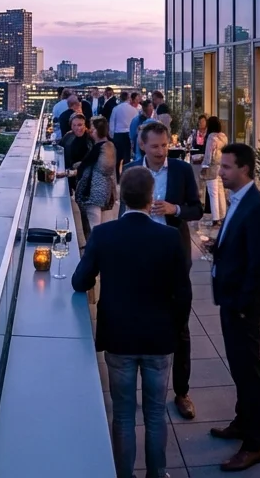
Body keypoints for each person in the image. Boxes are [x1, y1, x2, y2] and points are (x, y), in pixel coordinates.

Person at [73, 166, 191, 478]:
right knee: (155, 413)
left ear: (122, 197)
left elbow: (80, 281)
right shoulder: (169, 238)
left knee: (123, 415)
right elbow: (184, 293)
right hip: (158, 338)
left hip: (119, 338)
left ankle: (124, 475)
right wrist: (174, 328)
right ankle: (157, 473)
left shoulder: (103, 234)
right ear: (151, 197)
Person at [206, 142, 260, 471]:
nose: (221, 172)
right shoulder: (238, 200)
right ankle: (241, 421)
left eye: (227, 167)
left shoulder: (257, 207)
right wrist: (216, 245)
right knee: (239, 367)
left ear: (245, 169)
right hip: (231, 300)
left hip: (243, 306)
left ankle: (254, 444)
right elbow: (239, 244)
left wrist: (245, 307)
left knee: (248, 371)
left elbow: (258, 265)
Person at [128, 121, 203, 420]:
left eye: (165, 145)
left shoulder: (182, 171)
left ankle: (182, 392)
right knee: (140, 323)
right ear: (142, 145)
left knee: (180, 328)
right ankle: (140, 392)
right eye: (155, 146)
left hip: (173, 258)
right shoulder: (132, 171)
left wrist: (176, 209)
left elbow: (197, 208)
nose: (161, 151)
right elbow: (125, 211)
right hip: (141, 259)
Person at [71, 116, 117, 237]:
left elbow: (103, 168)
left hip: (94, 193)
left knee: (94, 227)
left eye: (92, 128)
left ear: (97, 130)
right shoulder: (103, 146)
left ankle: (95, 251)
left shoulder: (103, 147)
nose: (89, 130)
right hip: (100, 193)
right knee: (98, 227)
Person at [200, 116, 229, 224]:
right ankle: (223, 216)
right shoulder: (224, 137)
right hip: (221, 166)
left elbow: (208, 155)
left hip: (212, 167)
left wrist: (204, 167)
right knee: (221, 192)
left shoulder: (211, 138)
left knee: (213, 193)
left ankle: (215, 218)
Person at [109, 90, 140, 176]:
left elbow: (112, 123)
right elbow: (136, 124)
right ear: (128, 98)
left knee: (117, 158)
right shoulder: (134, 110)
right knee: (127, 157)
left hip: (118, 134)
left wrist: (112, 135)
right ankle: (126, 176)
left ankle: (117, 177)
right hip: (128, 135)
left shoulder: (116, 109)